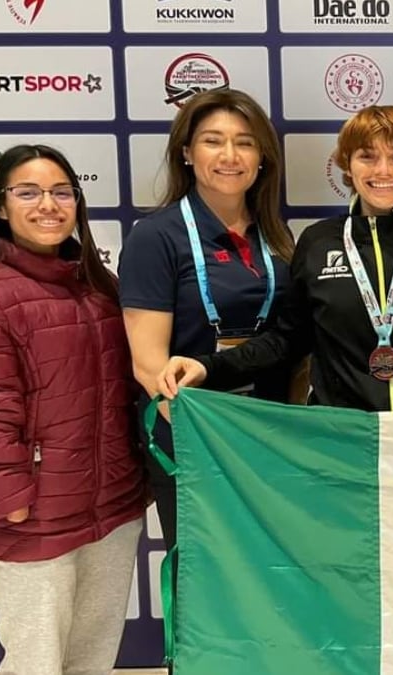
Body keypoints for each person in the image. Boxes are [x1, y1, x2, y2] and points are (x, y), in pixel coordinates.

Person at [0, 145, 147, 675]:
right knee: (36, 662)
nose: (48, 205)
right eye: (28, 192)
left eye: (62, 192)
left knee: (92, 658)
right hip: (34, 515)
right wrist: (14, 502)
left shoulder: (98, 288)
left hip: (111, 507)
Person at [156, 105, 393, 413]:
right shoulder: (319, 242)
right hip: (340, 433)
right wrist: (208, 367)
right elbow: (287, 340)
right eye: (367, 156)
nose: (383, 170)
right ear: (348, 166)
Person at [119, 88, 295, 555]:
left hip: (266, 432)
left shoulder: (275, 234)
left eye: (245, 142)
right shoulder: (155, 237)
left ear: (262, 156)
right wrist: (208, 439)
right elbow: (148, 365)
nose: (230, 155)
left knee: (266, 575)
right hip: (195, 439)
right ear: (187, 153)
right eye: (213, 141)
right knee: (208, 577)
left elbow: (287, 338)